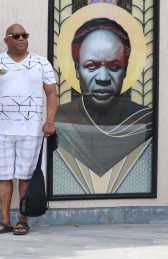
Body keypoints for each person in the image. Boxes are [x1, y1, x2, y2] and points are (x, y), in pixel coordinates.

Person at [0, 24, 57, 236]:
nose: (21, 39)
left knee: (25, 177)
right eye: (16, 36)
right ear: (7, 40)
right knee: (4, 177)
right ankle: (4, 221)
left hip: (32, 131)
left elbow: (52, 94)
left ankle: (22, 220)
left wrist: (50, 121)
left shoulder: (41, 63)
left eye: (24, 35)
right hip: (1, 131)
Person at [55, 17, 153, 177]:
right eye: (91, 66)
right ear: (77, 69)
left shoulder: (144, 119)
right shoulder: (60, 118)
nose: (103, 78)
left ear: (126, 70)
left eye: (114, 67)